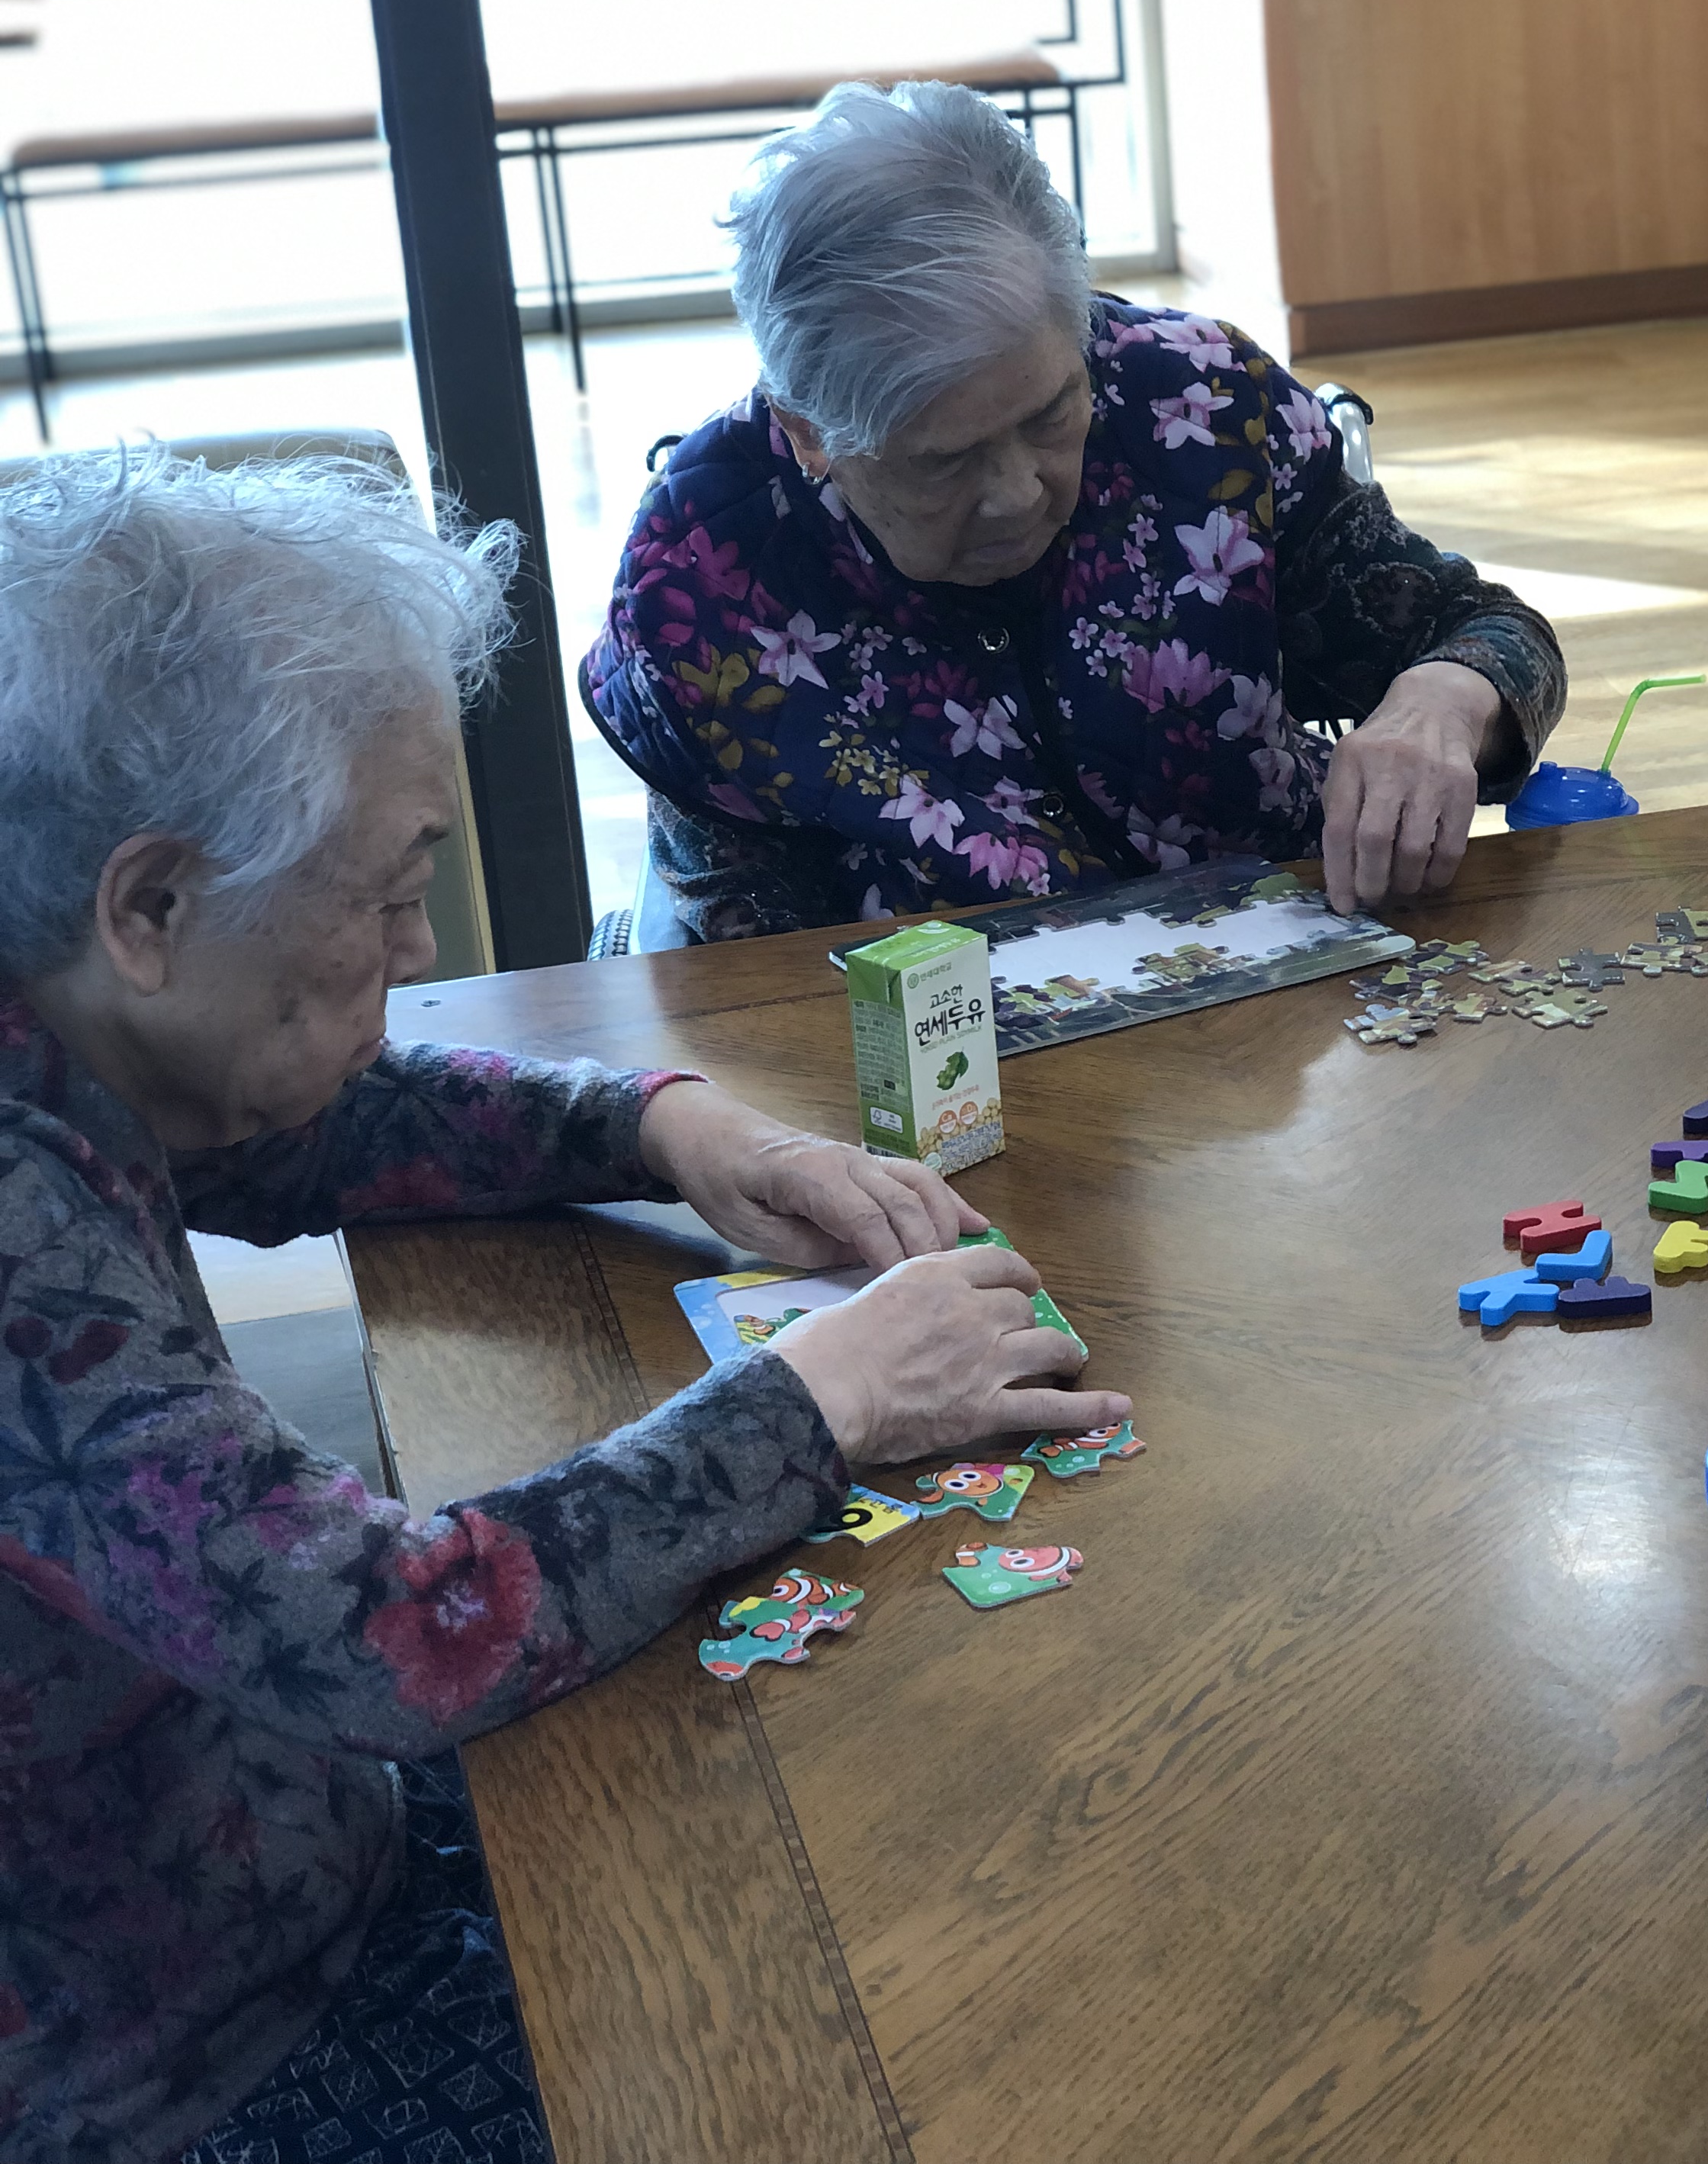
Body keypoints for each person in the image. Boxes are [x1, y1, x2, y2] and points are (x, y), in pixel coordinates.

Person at [0, 450, 1128, 2163]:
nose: (418, 947)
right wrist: (826, 1396)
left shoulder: (75, 1003)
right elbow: (392, 1636)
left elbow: (288, 1112)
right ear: (150, 908)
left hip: (292, 1828)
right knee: (910, 2030)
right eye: (388, 894)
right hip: (194, 2063)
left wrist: (668, 1129)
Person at [580, 80, 1567, 938]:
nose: (1019, 492)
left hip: (1312, 978)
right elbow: (754, 983)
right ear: (808, 434)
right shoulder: (697, 581)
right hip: (955, 1061)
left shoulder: (1200, 403)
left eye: (1053, 412)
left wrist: (1443, 698)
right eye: (945, 460)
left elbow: (1486, 630)